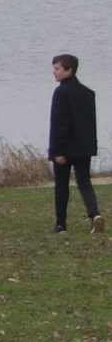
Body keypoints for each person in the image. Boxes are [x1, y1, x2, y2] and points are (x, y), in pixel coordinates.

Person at [49, 53, 101, 235]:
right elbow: (90, 123)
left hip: (65, 148)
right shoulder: (87, 93)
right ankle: (95, 214)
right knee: (84, 182)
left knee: (61, 184)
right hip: (84, 147)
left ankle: (61, 224)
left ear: (69, 70)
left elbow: (59, 124)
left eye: (57, 68)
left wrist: (56, 150)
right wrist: (90, 147)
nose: (53, 72)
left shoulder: (61, 92)